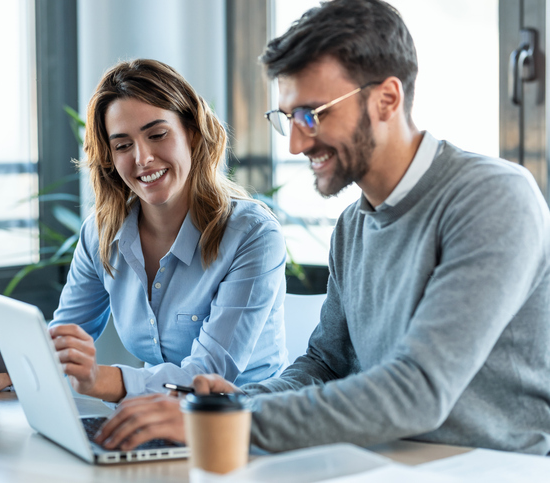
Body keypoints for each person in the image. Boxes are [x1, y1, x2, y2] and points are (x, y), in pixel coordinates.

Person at [92, 0, 550, 455]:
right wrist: (231, 403)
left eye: (314, 113)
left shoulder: (493, 198)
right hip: (385, 460)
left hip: (489, 466)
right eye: (289, 118)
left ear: (387, 99)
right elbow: (325, 363)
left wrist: (236, 421)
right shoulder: (354, 225)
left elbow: (418, 391)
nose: (295, 143)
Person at [0, 59, 289, 403]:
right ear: (109, 156)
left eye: (157, 134)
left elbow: (208, 375)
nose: (143, 158)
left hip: (246, 424)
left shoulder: (252, 235)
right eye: (123, 145)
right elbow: (64, 343)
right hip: (154, 419)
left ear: (193, 134)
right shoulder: (102, 234)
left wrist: (97, 379)